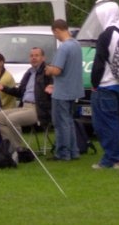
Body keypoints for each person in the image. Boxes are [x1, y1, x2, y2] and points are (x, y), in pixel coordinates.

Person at [0, 47, 52, 153]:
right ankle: (9, 147)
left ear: (43, 58)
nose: (33, 58)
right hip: (25, 106)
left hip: (38, 109)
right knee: (0, 116)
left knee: (12, 119)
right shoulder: (29, 73)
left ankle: (18, 149)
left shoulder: (47, 72)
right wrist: (3, 88)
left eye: (36, 55)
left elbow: (53, 90)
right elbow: (19, 92)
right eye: (31, 56)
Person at [90, 1, 119, 169]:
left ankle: (111, 158)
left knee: (103, 125)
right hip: (118, 84)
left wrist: (94, 83)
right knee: (114, 122)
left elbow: (99, 63)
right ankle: (118, 156)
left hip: (104, 84)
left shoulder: (106, 35)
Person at [45, 19, 84, 161]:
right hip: (74, 89)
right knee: (69, 121)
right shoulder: (77, 45)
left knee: (61, 123)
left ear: (57, 30)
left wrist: (48, 69)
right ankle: (74, 151)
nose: (55, 36)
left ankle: (63, 153)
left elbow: (57, 70)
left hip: (62, 91)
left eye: (54, 34)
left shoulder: (64, 48)